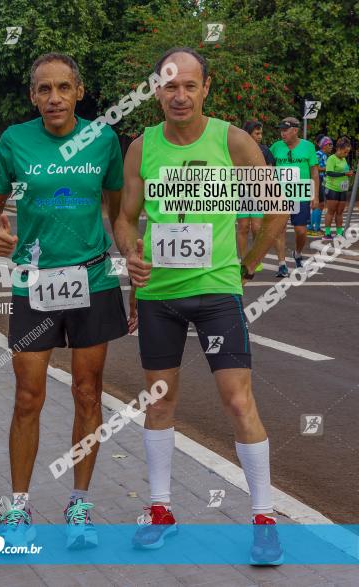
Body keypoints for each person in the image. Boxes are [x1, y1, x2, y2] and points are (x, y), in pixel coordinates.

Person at [115, 47, 287, 566]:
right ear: (157, 90)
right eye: (170, 86)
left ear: (205, 88)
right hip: (161, 296)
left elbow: (275, 207)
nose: (180, 95)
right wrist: (130, 255)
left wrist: (250, 263)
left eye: (190, 86)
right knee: (159, 401)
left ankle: (263, 518)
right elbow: (126, 217)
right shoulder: (141, 148)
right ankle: (161, 509)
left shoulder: (232, 140)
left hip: (216, 293)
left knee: (237, 400)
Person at [0, 52, 130, 549]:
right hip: (35, 283)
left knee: (89, 393)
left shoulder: (103, 139)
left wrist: (136, 265)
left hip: (93, 280)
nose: (53, 98)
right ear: (32, 96)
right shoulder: (14, 141)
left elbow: (117, 211)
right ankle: (20, 506)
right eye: (43, 89)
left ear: (79, 91)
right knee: (28, 396)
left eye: (62, 88)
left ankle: (79, 504)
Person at [270, 117, 320, 277]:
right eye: (281, 130)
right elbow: (268, 168)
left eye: (285, 130)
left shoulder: (308, 147)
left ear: (295, 130)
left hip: (301, 194)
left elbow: (314, 172)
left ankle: (297, 253)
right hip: (280, 195)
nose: (282, 133)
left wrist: (315, 196)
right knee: (280, 229)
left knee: (300, 231)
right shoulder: (276, 147)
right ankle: (281, 264)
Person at [237, 120, 275, 267]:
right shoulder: (237, 149)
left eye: (261, 133)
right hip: (241, 193)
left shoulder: (265, 151)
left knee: (257, 228)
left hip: (258, 194)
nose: (260, 136)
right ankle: (243, 260)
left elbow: (270, 173)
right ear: (248, 134)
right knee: (243, 227)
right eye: (256, 133)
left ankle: (254, 258)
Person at [322, 137, 353, 242]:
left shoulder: (343, 159)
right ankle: (327, 233)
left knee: (340, 212)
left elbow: (345, 171)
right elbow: (329, 172)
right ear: (339, 149)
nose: (346, 154)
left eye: (348, 152)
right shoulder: (332, 158)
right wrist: (344, 173)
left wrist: (349, 173)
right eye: (345, 152)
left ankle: (339, 233)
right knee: (331, 211)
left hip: (343, 189)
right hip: (332, 189)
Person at [311, 137, 333, 235]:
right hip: (318, 180)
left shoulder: (324, 155)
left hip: (322, 180)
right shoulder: (319, 154)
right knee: (319, 204)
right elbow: (314, 167)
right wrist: (327, 169)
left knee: (319, 204)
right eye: (329, 144)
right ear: (324, 145)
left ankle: (313, 226)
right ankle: (315, 227)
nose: (331, 147)